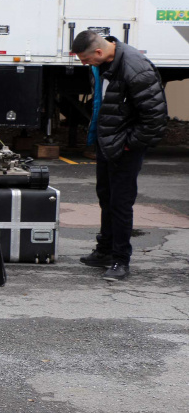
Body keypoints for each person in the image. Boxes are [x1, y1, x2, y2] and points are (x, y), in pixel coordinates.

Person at [73, 31, 167, 281]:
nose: (84, 64)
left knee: (120, 203)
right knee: (106, 197)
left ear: (99, 52)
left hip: (124, 147)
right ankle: (104, 251)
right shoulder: (102, 65)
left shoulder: (135, 68)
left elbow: (155, 118)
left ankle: (120, 260)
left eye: (85, 59)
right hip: (108, 143)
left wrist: (128, 145)